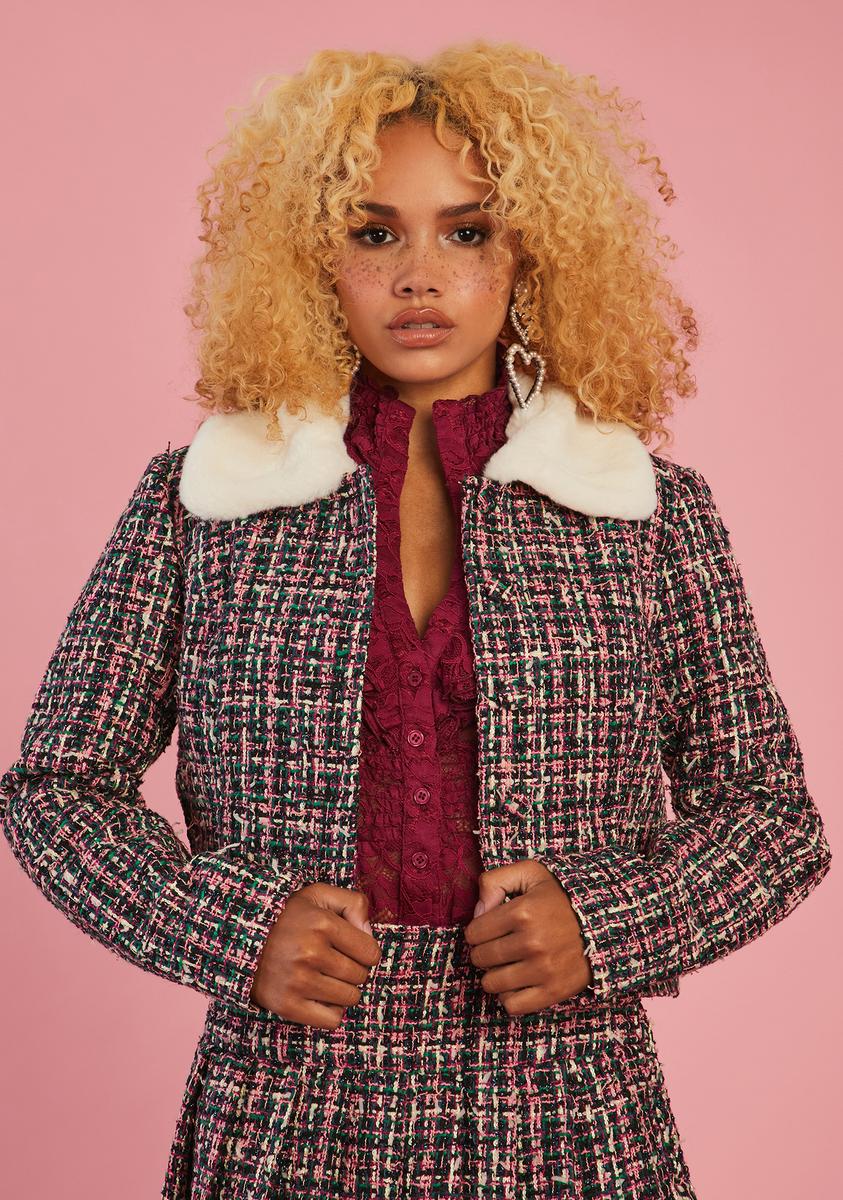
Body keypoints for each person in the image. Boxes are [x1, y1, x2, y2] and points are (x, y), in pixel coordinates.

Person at [1, 41, 833, 1199]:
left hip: (568, 1112)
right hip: (287, 1108)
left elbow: (772, 817)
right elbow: (55, 789)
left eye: (469, 231)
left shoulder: (644, 512)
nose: (420, 277)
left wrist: (610, 924)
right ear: (313, 257)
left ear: (531, 249)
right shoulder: (204, 503)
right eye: (375, 232)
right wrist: (233, 929)